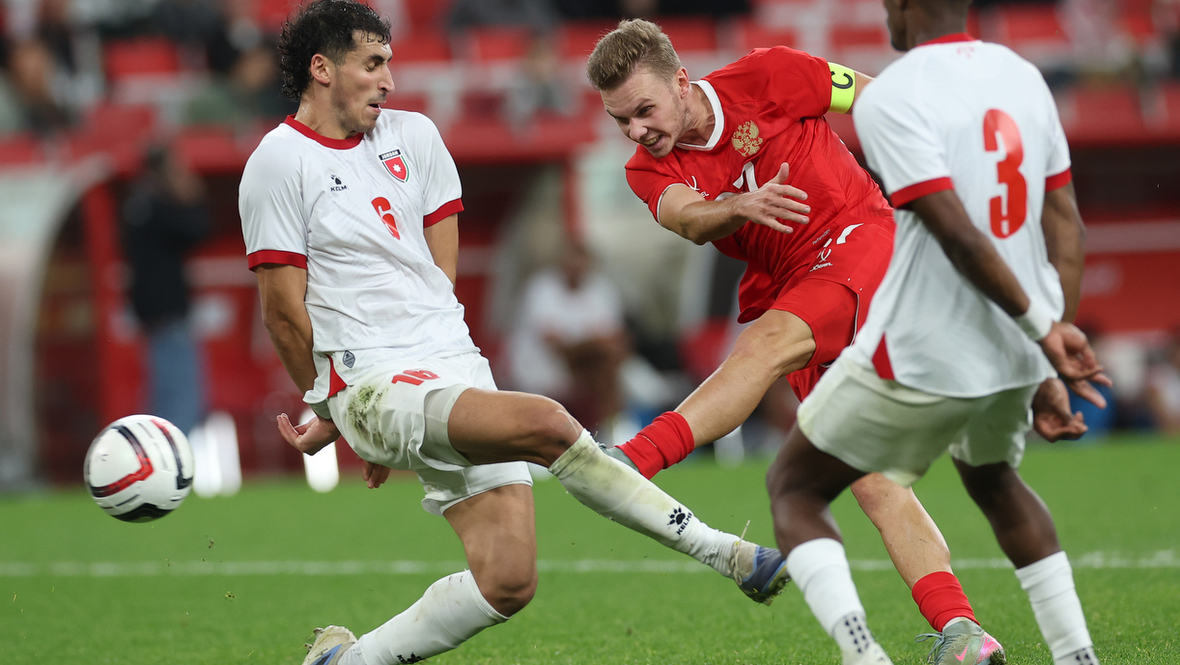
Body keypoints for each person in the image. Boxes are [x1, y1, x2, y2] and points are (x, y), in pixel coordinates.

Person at [238, 3, 788, 664]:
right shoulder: (278, 162)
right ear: (322, 69)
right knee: (548, 424)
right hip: (373, 378)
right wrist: (339, 406)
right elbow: (282, 311)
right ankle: (728, 552)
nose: (389, 80)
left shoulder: (415, 136)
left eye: (390, 63)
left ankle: (345, 662)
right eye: (373, 64)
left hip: (451, 363)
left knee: (507, 580)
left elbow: (437, 275)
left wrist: (399, 401)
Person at [587, 18, 1002, 663]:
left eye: (644, 110)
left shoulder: (771, 73)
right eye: (621, 120)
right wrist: (736, 207)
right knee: (872, 481)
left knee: (765, 345)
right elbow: (688, 219)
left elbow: (873, 98)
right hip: (796, 286)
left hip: (859, 236)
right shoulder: (647, 169)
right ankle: (963, 631)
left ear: (681, 82)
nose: (637, 130)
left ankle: (630, 461)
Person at [763, 0, 1110, 664]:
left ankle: (864, 655)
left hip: (922, 347)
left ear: (906, 5)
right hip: (1013, 345)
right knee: (995, 482)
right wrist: (1047, 339)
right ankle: (1077, 655)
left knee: (795, 487)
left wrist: (1045, 333)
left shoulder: (893, 96)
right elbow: (1066, 222)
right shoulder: (1022, 75)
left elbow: (956, 234)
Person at [122, 144, 211, 436]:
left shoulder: (138, 204)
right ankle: (169, 452)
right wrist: (188, 192)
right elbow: (198, 228)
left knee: (165, 391)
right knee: (181, 396)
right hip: (168, 312)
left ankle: (159, 449)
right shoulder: (155, 205)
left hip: (153, 311)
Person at [507, 239, 630, 438]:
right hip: (542, 367)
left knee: (606, 366)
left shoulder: (600, 288)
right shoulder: (542, 288)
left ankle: (607, 431)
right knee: (605, 363)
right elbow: (554, 344)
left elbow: (615, 337)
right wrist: (595, 343)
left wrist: (597, 345)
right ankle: (611, 432)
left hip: (584, 367)